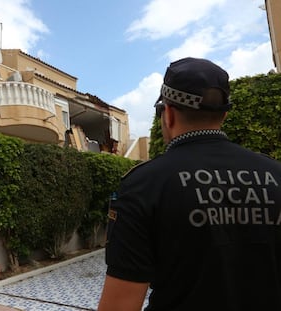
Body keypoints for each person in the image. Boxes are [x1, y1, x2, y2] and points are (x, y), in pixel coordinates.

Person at [98, 57, 281, 311]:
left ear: (168, 113)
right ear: (224, 115)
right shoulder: (276, 174)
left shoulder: (143, 185)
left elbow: (119, 306)